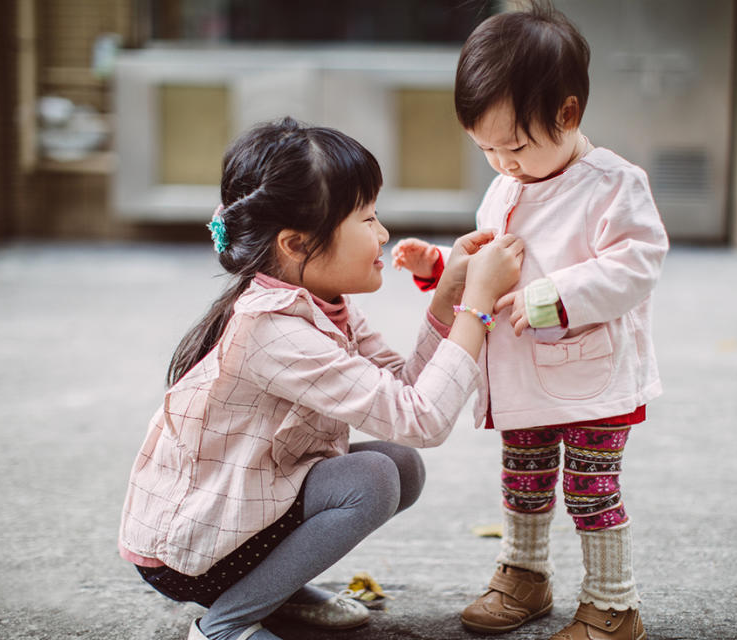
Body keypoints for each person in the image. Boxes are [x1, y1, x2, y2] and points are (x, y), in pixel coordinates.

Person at [118, 117, 524, 640]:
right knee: (372, 479)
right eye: (366, 218)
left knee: (399, 465)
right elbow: (424, 418)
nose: (382, 234)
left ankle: (274, 592)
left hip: (248, 510)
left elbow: (404, 387)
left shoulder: (325, 306)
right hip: (192, 551)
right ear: (295, 243)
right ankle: (224, 625)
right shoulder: (271, 329)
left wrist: (448, 295)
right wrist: (478, 306)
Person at [391, 3, 668, 639]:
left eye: (512, 145)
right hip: (521, 377)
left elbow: (638, 262)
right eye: (485, 149)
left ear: (567, 115)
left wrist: (557, 295)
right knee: (524, 481)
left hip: (590, 376)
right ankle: (524, 574)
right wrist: (443, 266)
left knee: (589, 490)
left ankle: (613, 605)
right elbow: (493, 256)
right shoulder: (509, 183)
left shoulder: (612, 184)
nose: (501, 163)